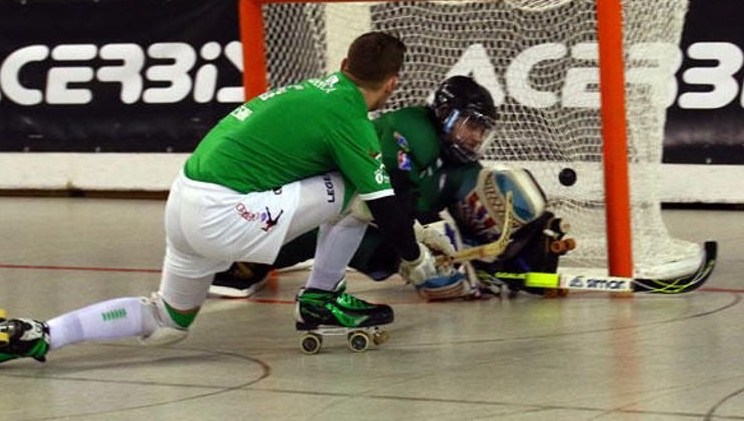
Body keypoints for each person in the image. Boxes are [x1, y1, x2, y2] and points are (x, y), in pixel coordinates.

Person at [0, 32, 455, 368]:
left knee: (168, 322)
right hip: (222, 212)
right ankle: (321, 300)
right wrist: (416, 261)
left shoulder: (315, 91)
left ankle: (41, 333)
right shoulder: (347, 118)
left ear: (344, 64)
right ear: (392, 84)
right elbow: (384, 206)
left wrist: (404, 234)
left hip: (183, 201)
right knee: (359, 193)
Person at [210, 76, 571, 300]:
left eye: (482, 129)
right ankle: (244, 259)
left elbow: (471, 213)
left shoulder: (458, 164)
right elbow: (389, 195)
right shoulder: (411, 129)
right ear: (445, 114)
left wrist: (509, 256)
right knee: (337, 226)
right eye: (471, 125)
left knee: (384, 251)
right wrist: (419, 256)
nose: (477, 136)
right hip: (336, 201)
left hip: (378, 218)